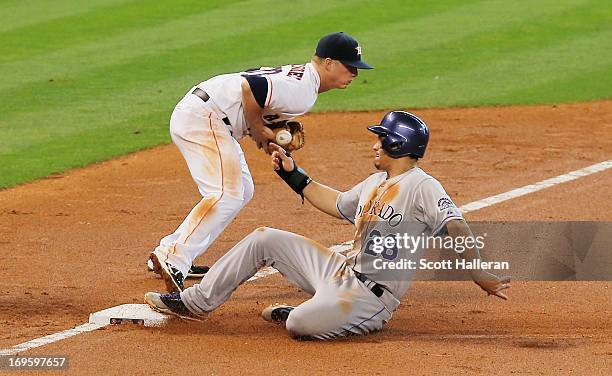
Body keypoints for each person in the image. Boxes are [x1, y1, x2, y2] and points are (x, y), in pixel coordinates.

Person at [144, 111, 511, 340]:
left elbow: (456, 227)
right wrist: (293, 175)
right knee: (264, 239)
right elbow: (336, 204)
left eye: (381, 138)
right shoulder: (375, 184)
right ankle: (195, 303)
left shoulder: (423, 186)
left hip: (370, 296)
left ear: (398, 145)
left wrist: (479, 273)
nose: (375, 144)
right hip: (340, 272)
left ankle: (333, 315)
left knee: (297, 325)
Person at [148, 32, 373, 292]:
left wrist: (269, 136)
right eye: (350, 67)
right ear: (329, 63)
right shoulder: (302, 90)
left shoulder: (305, 82)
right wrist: (257, 129)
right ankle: (172, 257)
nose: (354, 74)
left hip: (209, 115)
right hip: (203, 116)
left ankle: (176, 254)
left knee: (243, 190)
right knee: (226, 194)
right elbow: (249, 87)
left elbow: (257, 97)